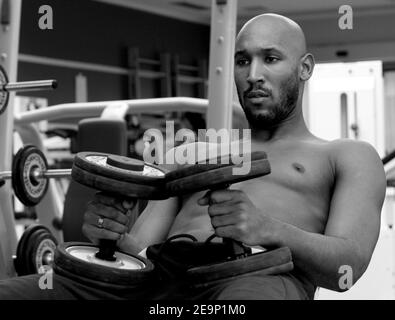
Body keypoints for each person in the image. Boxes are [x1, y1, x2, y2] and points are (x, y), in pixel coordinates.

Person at [0, 13, 386, 300]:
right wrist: (111, 234)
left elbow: (347, 267)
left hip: (254, 279)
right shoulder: (195, 152)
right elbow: (141, 251)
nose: (253, 74)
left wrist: (268, 229)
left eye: (270, 59)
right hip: (158, 280)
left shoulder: (346, 155)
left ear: (304, 68)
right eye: (241, 60)